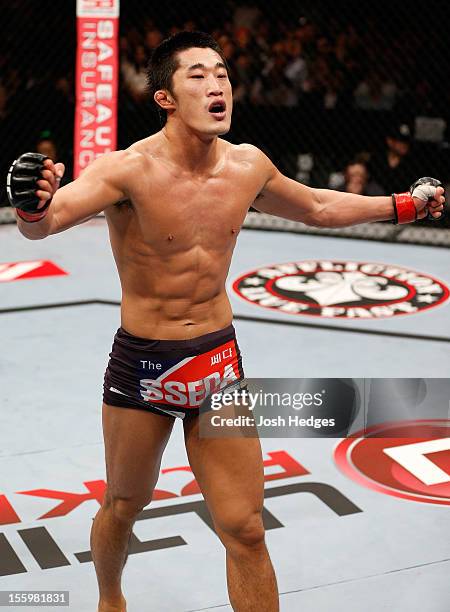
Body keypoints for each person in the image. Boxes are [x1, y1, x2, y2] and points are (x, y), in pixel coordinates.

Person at [6, 31, 445, 612]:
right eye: (198, 75)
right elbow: (47, 222)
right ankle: (109, 599)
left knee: (245, 528)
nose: (217, 85)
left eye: (222, 74)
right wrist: (33, 205)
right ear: (165, 98)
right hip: (143, 369)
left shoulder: (247, 165)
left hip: (218, 364)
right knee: (123, 503)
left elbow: (317, 205)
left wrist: (402, 205)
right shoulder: (126, 170)